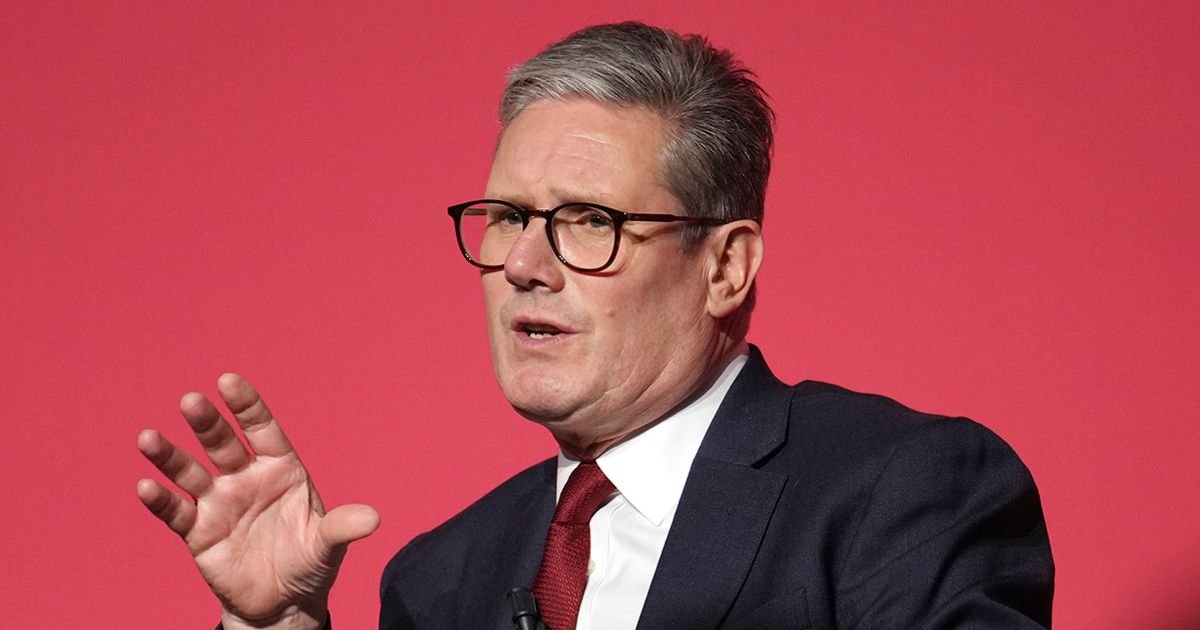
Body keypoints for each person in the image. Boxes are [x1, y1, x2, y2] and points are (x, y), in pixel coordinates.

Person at [136, 22, 1054, 630]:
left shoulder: (900, 493)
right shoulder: (440, 580)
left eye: (589, 221)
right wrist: (274, 626)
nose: (524, 266)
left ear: (725, 266)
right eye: (508, 217)